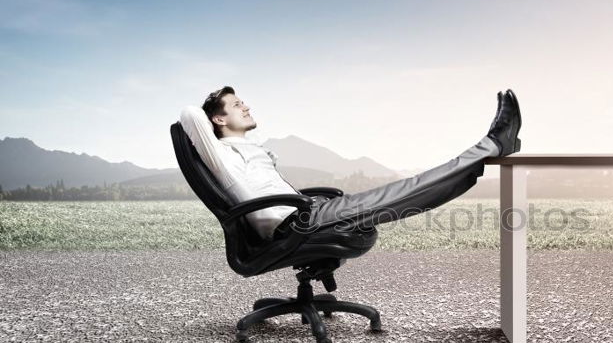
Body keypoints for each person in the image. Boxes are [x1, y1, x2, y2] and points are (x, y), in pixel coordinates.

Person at [179, 86, 521, 241]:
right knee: (407, 191)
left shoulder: (247, 151)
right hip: (297, 222)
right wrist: (211, 115)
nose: (247, 107)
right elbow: (189, 116)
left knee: (408, 194)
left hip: (307, 211)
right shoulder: (220, 154)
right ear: (218, 121)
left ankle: (489, 149)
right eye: (237, 105)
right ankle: (490, 145)